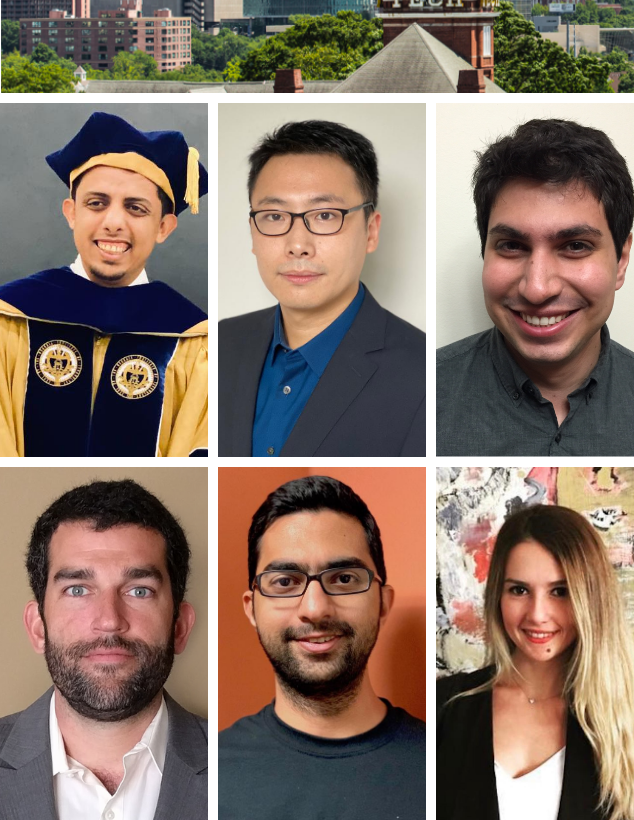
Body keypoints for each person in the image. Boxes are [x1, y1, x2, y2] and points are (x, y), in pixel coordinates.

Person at [0, 111, 208, 457]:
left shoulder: (193, 342)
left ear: (164, 227)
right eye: (96, 204)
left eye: (136, 208)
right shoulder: (10, 318)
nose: (113, 223)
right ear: (71, 213)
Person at [219, 476, 425, 819]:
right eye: (285, 582)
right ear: (251, 608)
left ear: (383, 604)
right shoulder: (210, 773)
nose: (315, 609)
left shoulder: (444, 764)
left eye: (344, 578)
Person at [0, 479, 207, 820]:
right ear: (38, 627)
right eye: (78, 590)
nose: (109, 621)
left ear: (179, 626)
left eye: (139, 591)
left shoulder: (238, 769)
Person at [437, 118, 634, 456]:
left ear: (621, 261)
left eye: (575, 246)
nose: (537, 288)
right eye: (512, 246)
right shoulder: (418, 393)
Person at [218, 120, 425, 457]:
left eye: (325, 215)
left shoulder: (424, 377)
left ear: (371, 231)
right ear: (253, 232)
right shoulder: (217, 345)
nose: (298, 245)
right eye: (274, 216)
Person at [437, 504, 634, 820]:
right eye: (519, 590)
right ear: (498, 594)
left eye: (559, 591)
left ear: (591, 598)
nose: (537, 614)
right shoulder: (445, 705)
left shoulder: (633, 719)